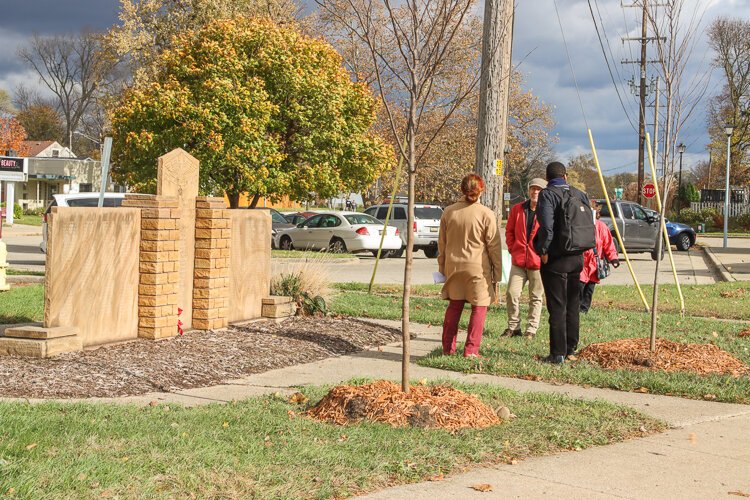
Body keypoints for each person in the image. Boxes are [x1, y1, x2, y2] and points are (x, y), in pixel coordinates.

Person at [533, 162, 594, 364]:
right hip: (577, 256)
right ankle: (571, 349)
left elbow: (546, 227)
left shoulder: (547, 195)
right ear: (565, 176)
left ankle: (557, 353)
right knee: (573, 304)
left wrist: (543, 250)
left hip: (556, 258)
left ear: (547, 178)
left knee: (557, 306)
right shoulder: (580, 194)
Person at [438, 173, 502, 358]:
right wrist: (497, 274)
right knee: (479, 308)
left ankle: (447, 349)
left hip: (453, 267)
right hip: (477, 269)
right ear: (481, 190)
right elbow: (494, 247)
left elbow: (442, 244)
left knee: (454, 306)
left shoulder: (448, 212)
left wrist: (442, 268)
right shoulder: (486, 214)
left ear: (462, 189)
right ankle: (471, 350)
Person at [503, 178, 547, 338]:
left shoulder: (547, 211)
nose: (535, 192)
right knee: (511, 293)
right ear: (528, 191)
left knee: (536, 297)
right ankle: (514, 327)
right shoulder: (517, 209)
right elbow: (509, 231)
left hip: (537, 262)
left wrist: (544, 254)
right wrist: (512, 248)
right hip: (519, 261)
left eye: (539, 189)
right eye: (533, 189)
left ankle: (531, 329)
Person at [580, 201, 620, 313]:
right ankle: (575, 308)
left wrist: (613, 258)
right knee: (578, 286)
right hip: (581, 262)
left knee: (589, 289)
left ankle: (584, 309)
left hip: (594, 263)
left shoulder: (601, 227)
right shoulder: (579, 225)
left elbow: (608, 244)